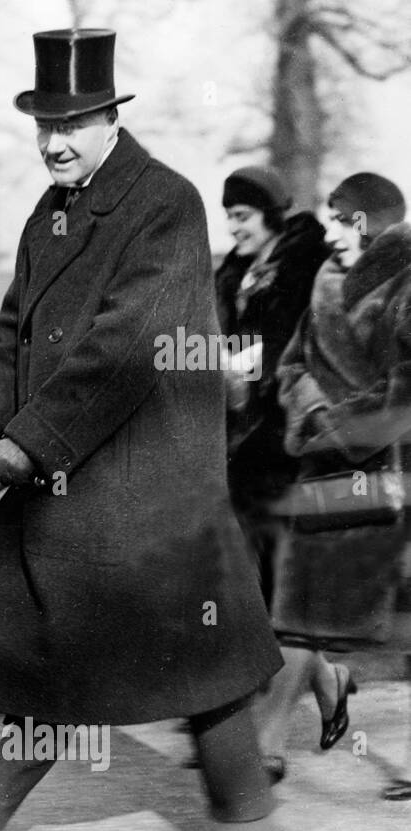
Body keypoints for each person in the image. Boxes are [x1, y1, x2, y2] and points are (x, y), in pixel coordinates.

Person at [0, 27, 284, 831]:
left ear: (110, 118)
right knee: (178, 656)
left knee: (77, 655)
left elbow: (125, 348)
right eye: (44, 124)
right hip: (85, 470)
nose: (56, 140)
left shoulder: (164, 204)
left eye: (76, 121)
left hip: (144, 481)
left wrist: (24, 446)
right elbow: (9, 341)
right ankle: (247, 818)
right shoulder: (49, 213)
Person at [259, 172, 411, 802]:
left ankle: (325, 701)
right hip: (322, 473)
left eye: (339, 220)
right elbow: (291, 366)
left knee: (398, 629)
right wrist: (318, 416)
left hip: (390, 472)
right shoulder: (324, 282)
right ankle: (264, 748)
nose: (326, 233)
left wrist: (343, 427)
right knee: (294, 615)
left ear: (371, 225)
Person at [211, 166, 331, 781]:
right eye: (228, 215)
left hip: (291, 444)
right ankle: (322, 679)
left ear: (271, 216)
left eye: (244, 216)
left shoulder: (303, 266)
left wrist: (252, 375)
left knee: (286, 585)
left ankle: (271, 738)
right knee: (250, 577)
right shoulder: (231, 271)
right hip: (242, 442)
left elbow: (297, 348)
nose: (234, 226)